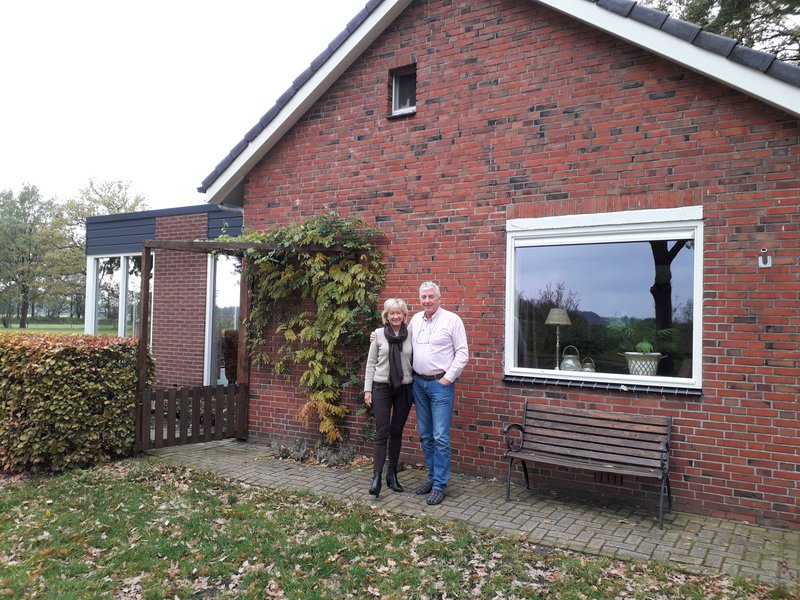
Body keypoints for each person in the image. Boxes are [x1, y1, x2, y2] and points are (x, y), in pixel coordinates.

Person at [409, 281, 469, 505]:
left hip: (440, 385)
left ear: (439, 298)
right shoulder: (415, 320)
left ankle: (440, 485)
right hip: (419, 384)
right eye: (423, 297)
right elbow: (400, 340)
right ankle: (433, 477)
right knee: (425, 435)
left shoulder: (452, 320)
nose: (427, 301)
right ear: (420, 299)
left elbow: (462, 353)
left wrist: (448, 378)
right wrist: (377, 336)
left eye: (431, 296)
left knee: (440, 436)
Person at [363, 298, 414, 498]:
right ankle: (376, 477)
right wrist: (367, 390)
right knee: (382, 431)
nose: (395, 316)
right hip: (381, 387)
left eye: (399, 312)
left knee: (396, 431)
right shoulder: (377, 335)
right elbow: (370, 364)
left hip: (404, 387)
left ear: (404, 315)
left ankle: (392, 475)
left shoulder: (411, 335)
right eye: (391, 313)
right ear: (386, 315)